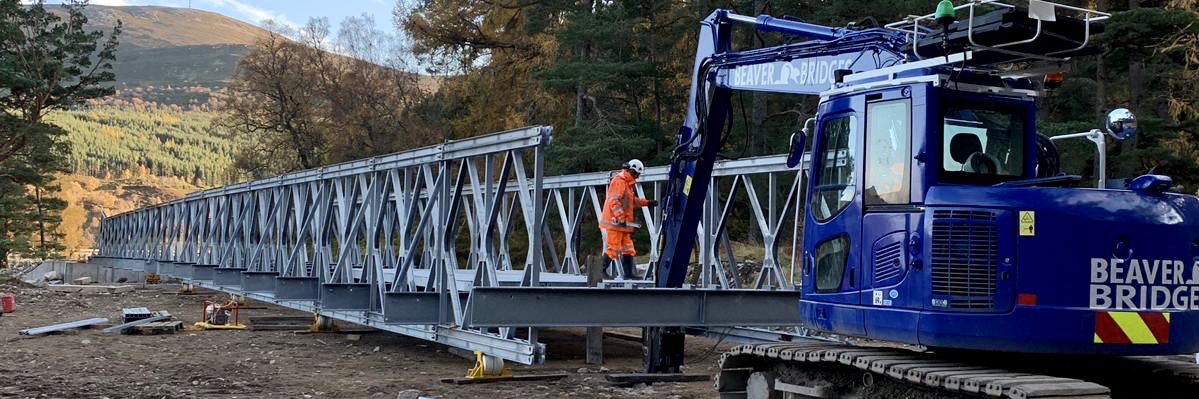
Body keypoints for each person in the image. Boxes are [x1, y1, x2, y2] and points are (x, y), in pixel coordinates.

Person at [600, 159, 657, 279]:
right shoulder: (619, 181)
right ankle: (600, 271)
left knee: (628, 249)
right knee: (613, 248)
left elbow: (631, 201)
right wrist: (620, 217)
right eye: (636, 174)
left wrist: (647, 202)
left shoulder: (627, 183)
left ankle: (629, 274)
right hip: (615, 222)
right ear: (631, 170)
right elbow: (614, 201)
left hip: (622, 223)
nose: (637, 177)